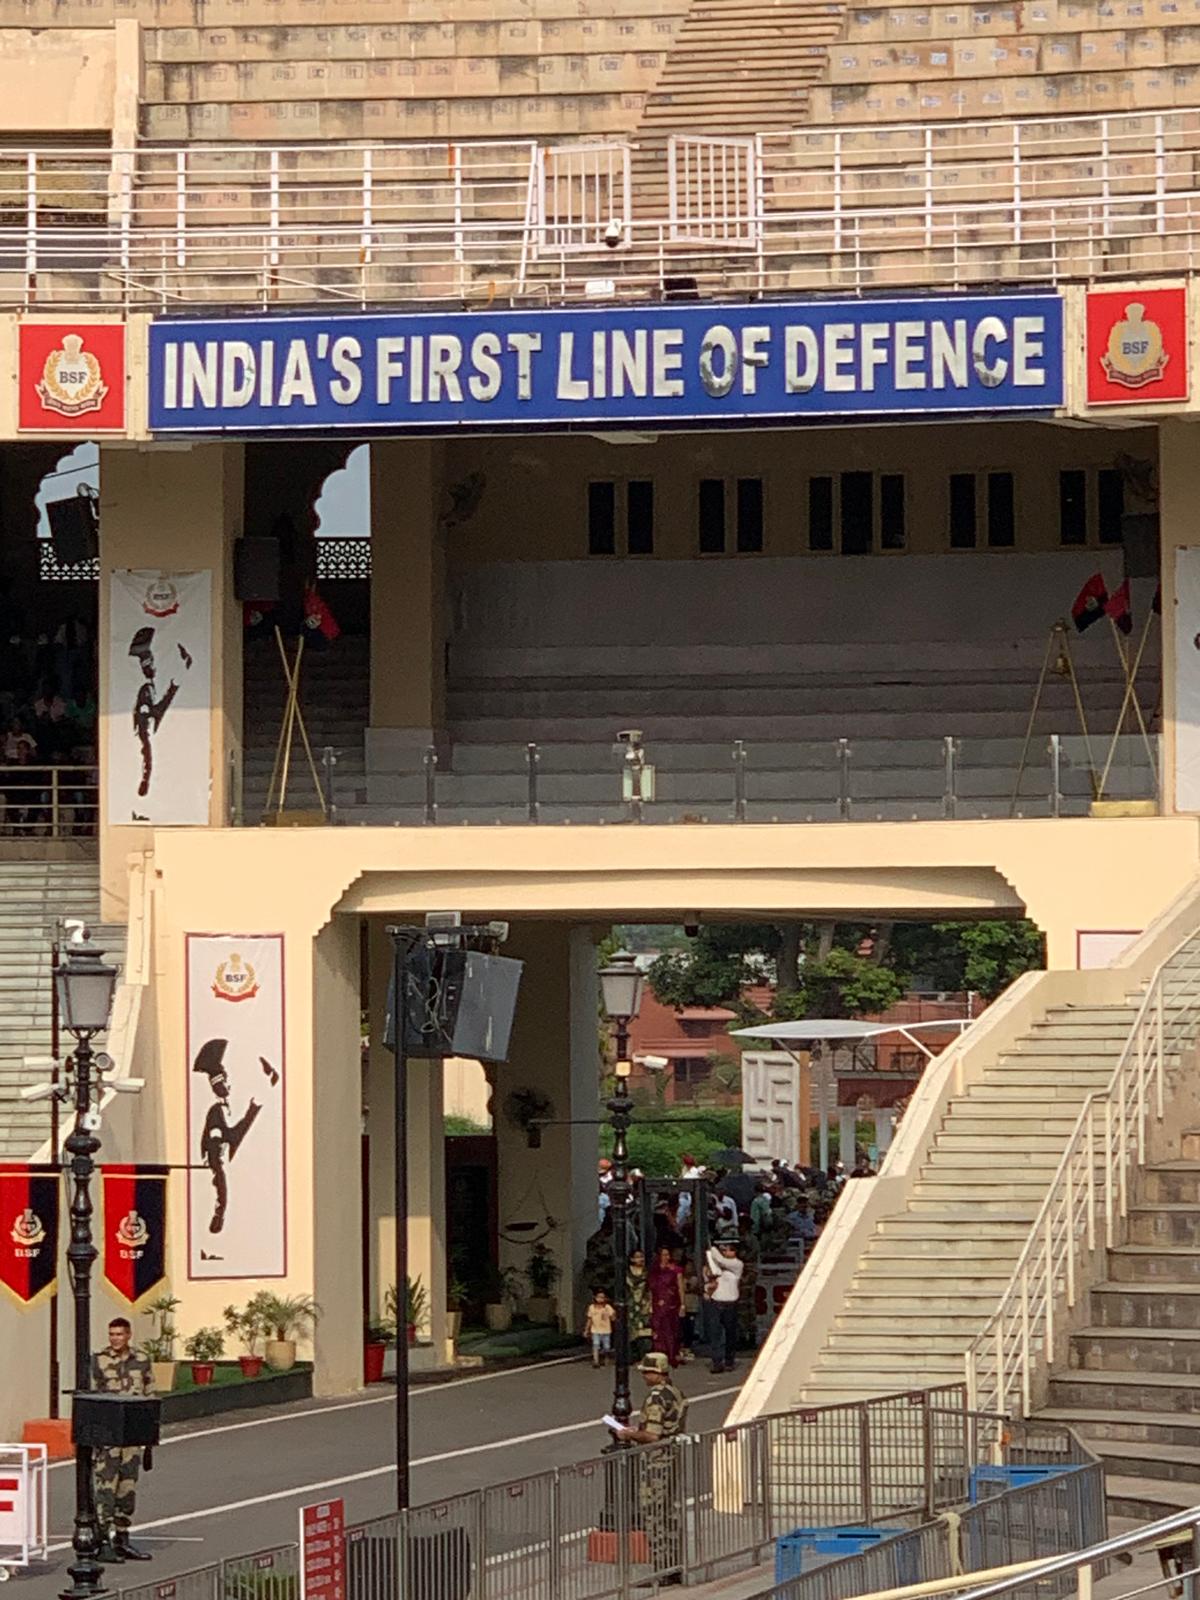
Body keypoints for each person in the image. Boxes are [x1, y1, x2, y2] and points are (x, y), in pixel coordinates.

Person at [611, 1353, 688, 1584]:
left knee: (654, 1515)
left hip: (657, 1460)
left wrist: (630, 1433)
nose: (644, 1376)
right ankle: (674, 1566)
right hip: (673, 1454)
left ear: (656, 1373)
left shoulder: (656, 1397)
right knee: (669, 1512)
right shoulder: (675, 1392)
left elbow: (653, 1435)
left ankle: (661, 1569)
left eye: (646, 1372)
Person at [92, 1317, 154, 1564]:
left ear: (128, 1335)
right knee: (105, 1488)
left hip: (132, 1434)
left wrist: (149, 1437)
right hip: (108, 1436)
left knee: (127, 1488)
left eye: (119, 1334)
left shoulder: (141, 1361)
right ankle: (102, 1540)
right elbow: (93, 1397)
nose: (115, 1338)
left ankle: (122, 1537)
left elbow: (150, 1396)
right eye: (112, 1334)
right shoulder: (99, 1360)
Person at [705, 1238, 744, 1374]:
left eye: (730, 1249)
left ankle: (729, 1360)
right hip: (717, 1301)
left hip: (730, 1303)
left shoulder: (737, 1264)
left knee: (730, 1333)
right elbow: (709, 1278)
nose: (727, 1252)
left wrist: (714, 1250)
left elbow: (722, 1261)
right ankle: (717, 1361)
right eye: (725, 1249)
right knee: (715, 1333)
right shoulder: (715, 1264)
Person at [648, 1245, 684, 1366]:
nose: (666, 1257)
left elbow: (680, 1287)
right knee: (657, 1329)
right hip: (656, 1302)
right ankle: (659, 1354)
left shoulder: (675, 1270)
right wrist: (649, 1304)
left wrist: (683, 1304)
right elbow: (650, 1289)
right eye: (663, 1255)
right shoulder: (654, 1271)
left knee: (671, 1329)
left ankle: (672, 1354)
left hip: (671, 1303)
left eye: (668, 1255)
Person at [627, 1248, 653, 1361]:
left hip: (643, 1303)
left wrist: (650, 1303)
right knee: (630, 1329)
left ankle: (644, 1355)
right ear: (631, 1259)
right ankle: (631, 1355)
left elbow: (650, 1289)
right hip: (630, 1304)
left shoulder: (647, 1272)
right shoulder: (626, 1272)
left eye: (641, 1256)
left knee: (644, 1329)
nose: (640, 1259)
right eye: (637, 1257)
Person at [584, 1289, 616, 1367]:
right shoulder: (592, 1307)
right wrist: (586, 1330)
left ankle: (606, 1358)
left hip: (606, 1330)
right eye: (599, 1297)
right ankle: (596, 1361)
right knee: (596, 1345)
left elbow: (613, 1319)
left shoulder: (607, 1307)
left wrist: (611, 1314)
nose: (600, 1299)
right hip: (595, 1330)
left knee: (606, 1347)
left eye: (602, 1297)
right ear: (595, 1297)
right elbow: (589, 1319)